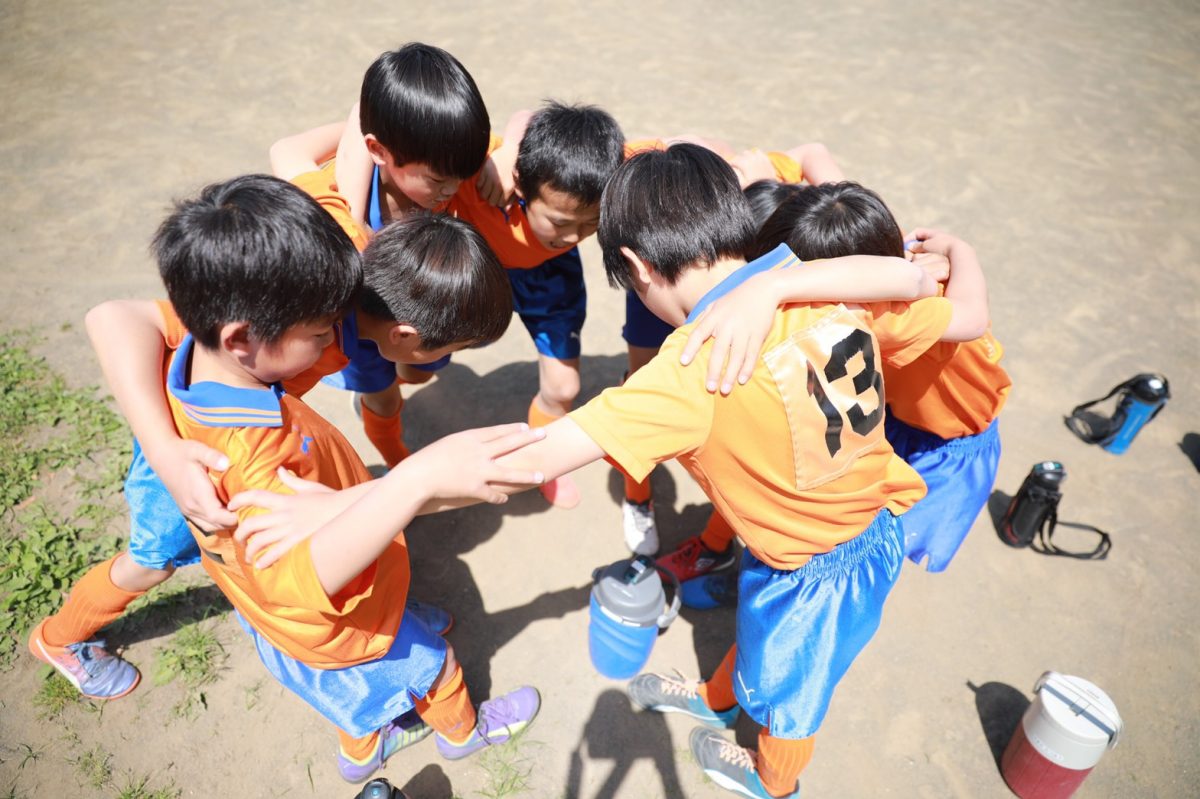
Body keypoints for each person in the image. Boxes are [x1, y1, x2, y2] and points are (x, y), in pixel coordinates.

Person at [229, 144, 990, 797]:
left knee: (793, 691)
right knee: (764, 634)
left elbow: (526, 462)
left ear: (634, 266)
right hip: (830, 525)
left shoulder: (690, 372)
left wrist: (365, 499)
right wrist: (788, 280)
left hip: (826, 565)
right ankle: (720, 696)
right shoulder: (825, 285)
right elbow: (924, 286)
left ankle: (773, 777)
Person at [705, 181, 1010, 571]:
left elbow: (972, 318)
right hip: (890, 416)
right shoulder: (864, 244)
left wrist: (960, 250)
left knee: (884, 546)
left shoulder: (892, 313)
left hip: (950, 441)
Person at [271, 42, 492, 469]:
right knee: (383, 397)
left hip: (422, 319)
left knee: (419, 372)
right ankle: (396, 458)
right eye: (438, 180)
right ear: (377, 150)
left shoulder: (447, 158)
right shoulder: (340, 201)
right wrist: (353, 214)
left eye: (461, 176)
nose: (452, 190)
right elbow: (287, 149)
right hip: (359, 330)